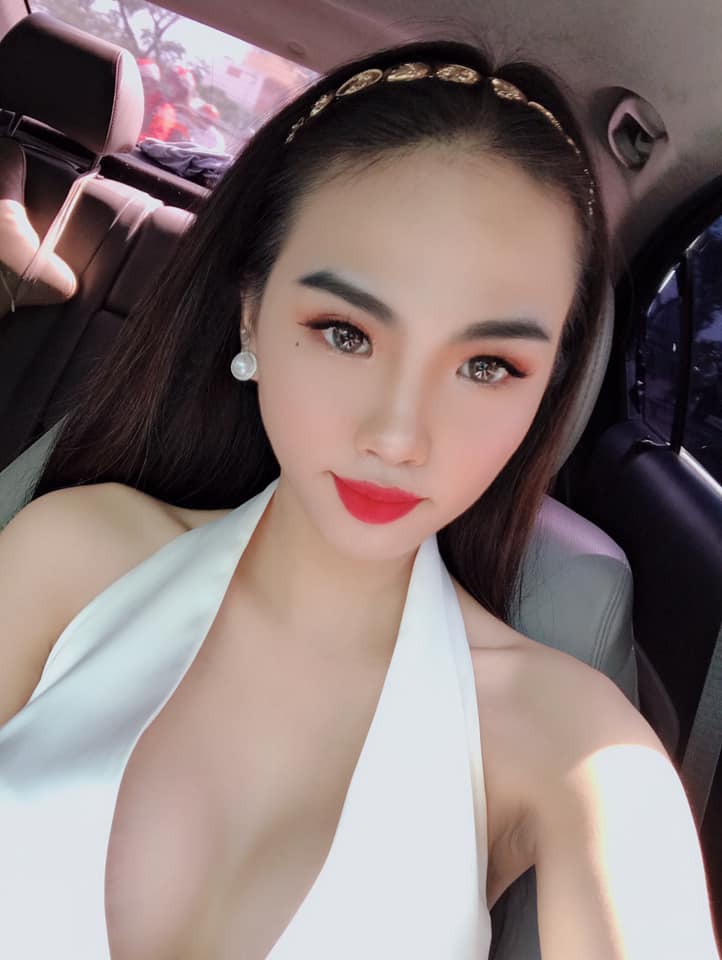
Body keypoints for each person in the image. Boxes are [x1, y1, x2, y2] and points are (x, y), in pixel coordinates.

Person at [0, 36, 718, 960]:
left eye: (488, 365)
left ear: (548, 388)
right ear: (252, 313)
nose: (398, 435)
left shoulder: (578, 748)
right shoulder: (72, 552)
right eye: (345, 332)